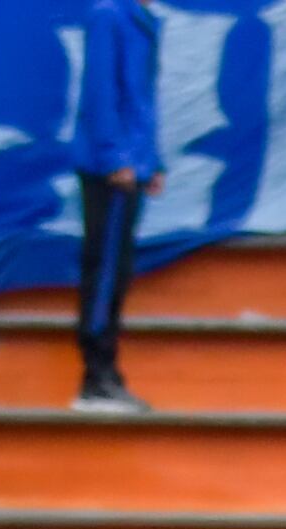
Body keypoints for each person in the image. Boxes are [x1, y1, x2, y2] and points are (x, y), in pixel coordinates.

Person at [74, 0, 158, 403]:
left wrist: (152, 160)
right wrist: (114, 156)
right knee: (105, 271)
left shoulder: (140, 18)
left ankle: (106, 370)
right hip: (113, 169)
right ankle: (95, 375)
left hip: (131, 164)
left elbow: (141, 99)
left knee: (119, 270)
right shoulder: (109, 15)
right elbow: (100, 91)